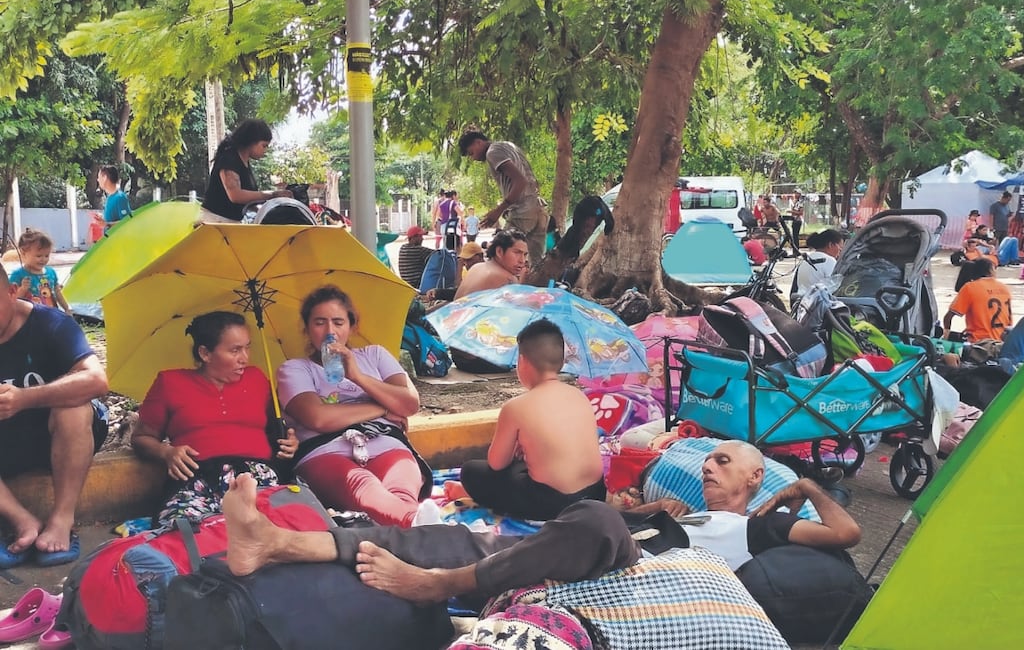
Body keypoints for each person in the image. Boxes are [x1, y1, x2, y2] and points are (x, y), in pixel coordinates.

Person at [221, 439, 860, 604]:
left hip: (647, 581)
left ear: (754, 480)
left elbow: (846, 535)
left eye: (724, 461)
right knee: (442, 535)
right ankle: (276, 543)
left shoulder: (756, 528)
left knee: (595, 524)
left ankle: (442, 586)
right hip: (598, 553)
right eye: (707, 458)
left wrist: (802, 485)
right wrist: (642, 507)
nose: (708, 467)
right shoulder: (682, 512)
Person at [277, 285, 429, 528]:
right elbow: (319, 419)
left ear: (351, 326)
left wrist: (357, 376)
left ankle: (417, 528)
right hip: (325, 451)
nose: (330, 331)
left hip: (386, 443)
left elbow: (409, 403)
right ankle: (427, 527)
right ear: (306, 328)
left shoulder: (375, 355)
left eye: (338, 322)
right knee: (364, 486)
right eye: (319, 322)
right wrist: (383, 408)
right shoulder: (294, 369)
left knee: (401, 493)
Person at [131, 312, 298, 528]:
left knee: (282, 524)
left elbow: (275, 431)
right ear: (205, 353)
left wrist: (289, 441)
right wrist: (167, 452)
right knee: (185, 533)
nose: (245, 358)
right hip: (198, 480)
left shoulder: (256, 379)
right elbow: (142, 438)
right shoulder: (170, 383)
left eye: (247, 347)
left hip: (257, 477)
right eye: (235, 350)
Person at [0, 264, 109, 567]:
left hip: (57, 438)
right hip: (7, 443)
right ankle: (23, 521)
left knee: (73, 405)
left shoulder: (51, 324)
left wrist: (25, 398)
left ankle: (62, 519)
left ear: (12, 292)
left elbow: (97, 381)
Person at [453, 320, 605, 521]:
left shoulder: (516, 407)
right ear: (561, 362)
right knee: (522, 465)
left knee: (471, 471)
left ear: (522, 362)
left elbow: (496, 464)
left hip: (552, 504)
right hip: (595, 495)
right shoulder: (579, 396)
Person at [459, 131, 548, 267]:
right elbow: (532, 181)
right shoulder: (509, 146)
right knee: (535, 265)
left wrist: (499, 210)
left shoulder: (492, 152)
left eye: (471, 153)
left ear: (478, 142)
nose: (473, 158)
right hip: (538, 207)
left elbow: (520, 181)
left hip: (523, 211)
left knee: (498, 255)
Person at [202, 119, 292, 223]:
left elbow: (247, 201)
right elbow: (235, 195)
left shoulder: (244, 162)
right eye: (264, 145)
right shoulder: (229, 158)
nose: (265, 151)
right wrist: (272, 195)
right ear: (252, 141)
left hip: (230, 222)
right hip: (214, 221)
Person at [453, 228, 528, 300]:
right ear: (499, 252)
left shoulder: (476, 267)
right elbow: (521, 308)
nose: (522, 260)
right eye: (517, 253)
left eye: (525, 255)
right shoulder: (505, 278)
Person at [9, 229, 71, 314]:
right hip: (29, 318)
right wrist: (22, 289)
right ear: (23, 253)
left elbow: (57, 292)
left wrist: (66, 308)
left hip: (51, 315)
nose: (43, 259)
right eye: (38, 256)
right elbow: (10, 300)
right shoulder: (18, 275)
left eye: (46, 255)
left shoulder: (51, 272)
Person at [791, 228, 843, 305]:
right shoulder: (829, 261)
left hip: (801, 304)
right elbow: (836, 288)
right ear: (830, 245)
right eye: (840, 249)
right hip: (820, 307)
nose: (839, 253)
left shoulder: (806, 260)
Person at [98, 165, 132, 231]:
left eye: (99, 177)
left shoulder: (120, 197)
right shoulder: (109, 197)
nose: (98, 180)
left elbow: (127, 221)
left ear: (105, 178)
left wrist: (106, 224)